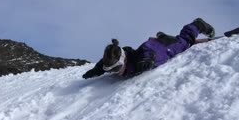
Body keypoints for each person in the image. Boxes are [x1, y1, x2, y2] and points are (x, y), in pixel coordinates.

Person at [82, 18, 215, 79]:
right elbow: (103, 64)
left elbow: (149, 51)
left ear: (124, 59)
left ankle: (199, 24)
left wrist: (148, 59)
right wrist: (95, 71)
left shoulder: (140, 59)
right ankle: (162, 35)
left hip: (165, 47)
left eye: (116, 68)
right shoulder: (119, 61)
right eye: (111, 71)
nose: (115, 72)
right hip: (157, 43)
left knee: (184, 41)